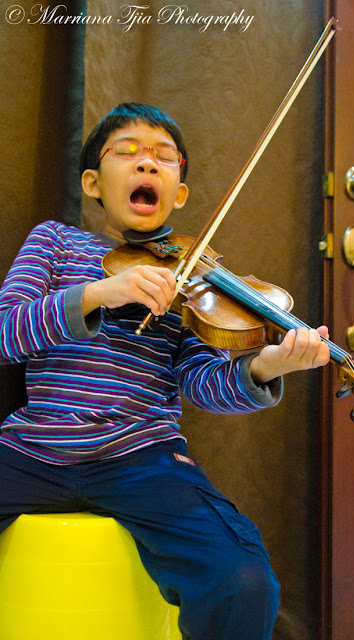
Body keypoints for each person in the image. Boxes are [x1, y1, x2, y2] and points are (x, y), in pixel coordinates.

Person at [0, 103, 329, 639]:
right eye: (127, 151)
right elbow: (5, 332)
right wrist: (99, 294)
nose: (147, 163)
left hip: (144, 458)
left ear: (178, 193)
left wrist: (266, 364)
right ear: (92, 182)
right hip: (33, 449)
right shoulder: (55, 242)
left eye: (164, 157)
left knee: (242, 579)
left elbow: (202, 383)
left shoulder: (192, 275)